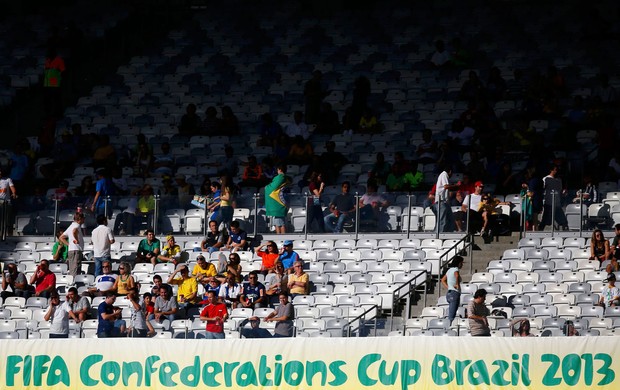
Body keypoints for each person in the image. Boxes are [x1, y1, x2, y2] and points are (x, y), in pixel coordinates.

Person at [538, 165, 568, 231]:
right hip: (549, 203)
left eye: (557, 170)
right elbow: (542, 190)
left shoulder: (559, 180)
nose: (556, 171)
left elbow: (560, 191)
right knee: (545, 220)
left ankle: (565, 234)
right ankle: (539, 232)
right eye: (555, 170)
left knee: (563, 221)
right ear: (551, 170)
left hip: (557, 204)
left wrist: (563, 193)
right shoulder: (545, 179)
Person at [265, 164, 291, 234]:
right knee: (277, 223)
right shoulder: (283, 178)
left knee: (281, 223)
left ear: (279, 169)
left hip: (279, 202)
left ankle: (282, 237)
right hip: (279, 203)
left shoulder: (281, 177)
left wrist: (266, 187)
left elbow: (271, 188)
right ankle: (278, 236)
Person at [435, 166, 461, 232]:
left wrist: (456, 187)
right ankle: (438, 235)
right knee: (442, 220)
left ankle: (449, 233)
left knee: (451, 219)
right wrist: (456, 186)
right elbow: (446, 186)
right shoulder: (444, 174)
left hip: (445, 202)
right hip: (441, 201)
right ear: (450, 172)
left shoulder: (443, 175)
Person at [59, 212, 85, 276]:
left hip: (71, 250)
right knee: (76, 269)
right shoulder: (77, 225)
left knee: (72, 269)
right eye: (83, 218)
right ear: (80, 219)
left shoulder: (71, 226)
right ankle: (74, 282)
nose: (84, 219)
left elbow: (61, 237)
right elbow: (74, 231)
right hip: (76, 250)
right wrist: (76, 239)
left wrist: (69, 244)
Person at [441, 256, 464, 325]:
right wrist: (457, 284)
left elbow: (442, 280)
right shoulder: (456, 270)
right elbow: (456, 275)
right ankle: (448, 328)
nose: (462, 265)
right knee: (452, 315)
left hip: (449, 293)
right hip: (454, 293)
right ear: (459, 263)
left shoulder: (449, 270)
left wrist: (449, 287)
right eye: (461, 263)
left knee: (451, 312)